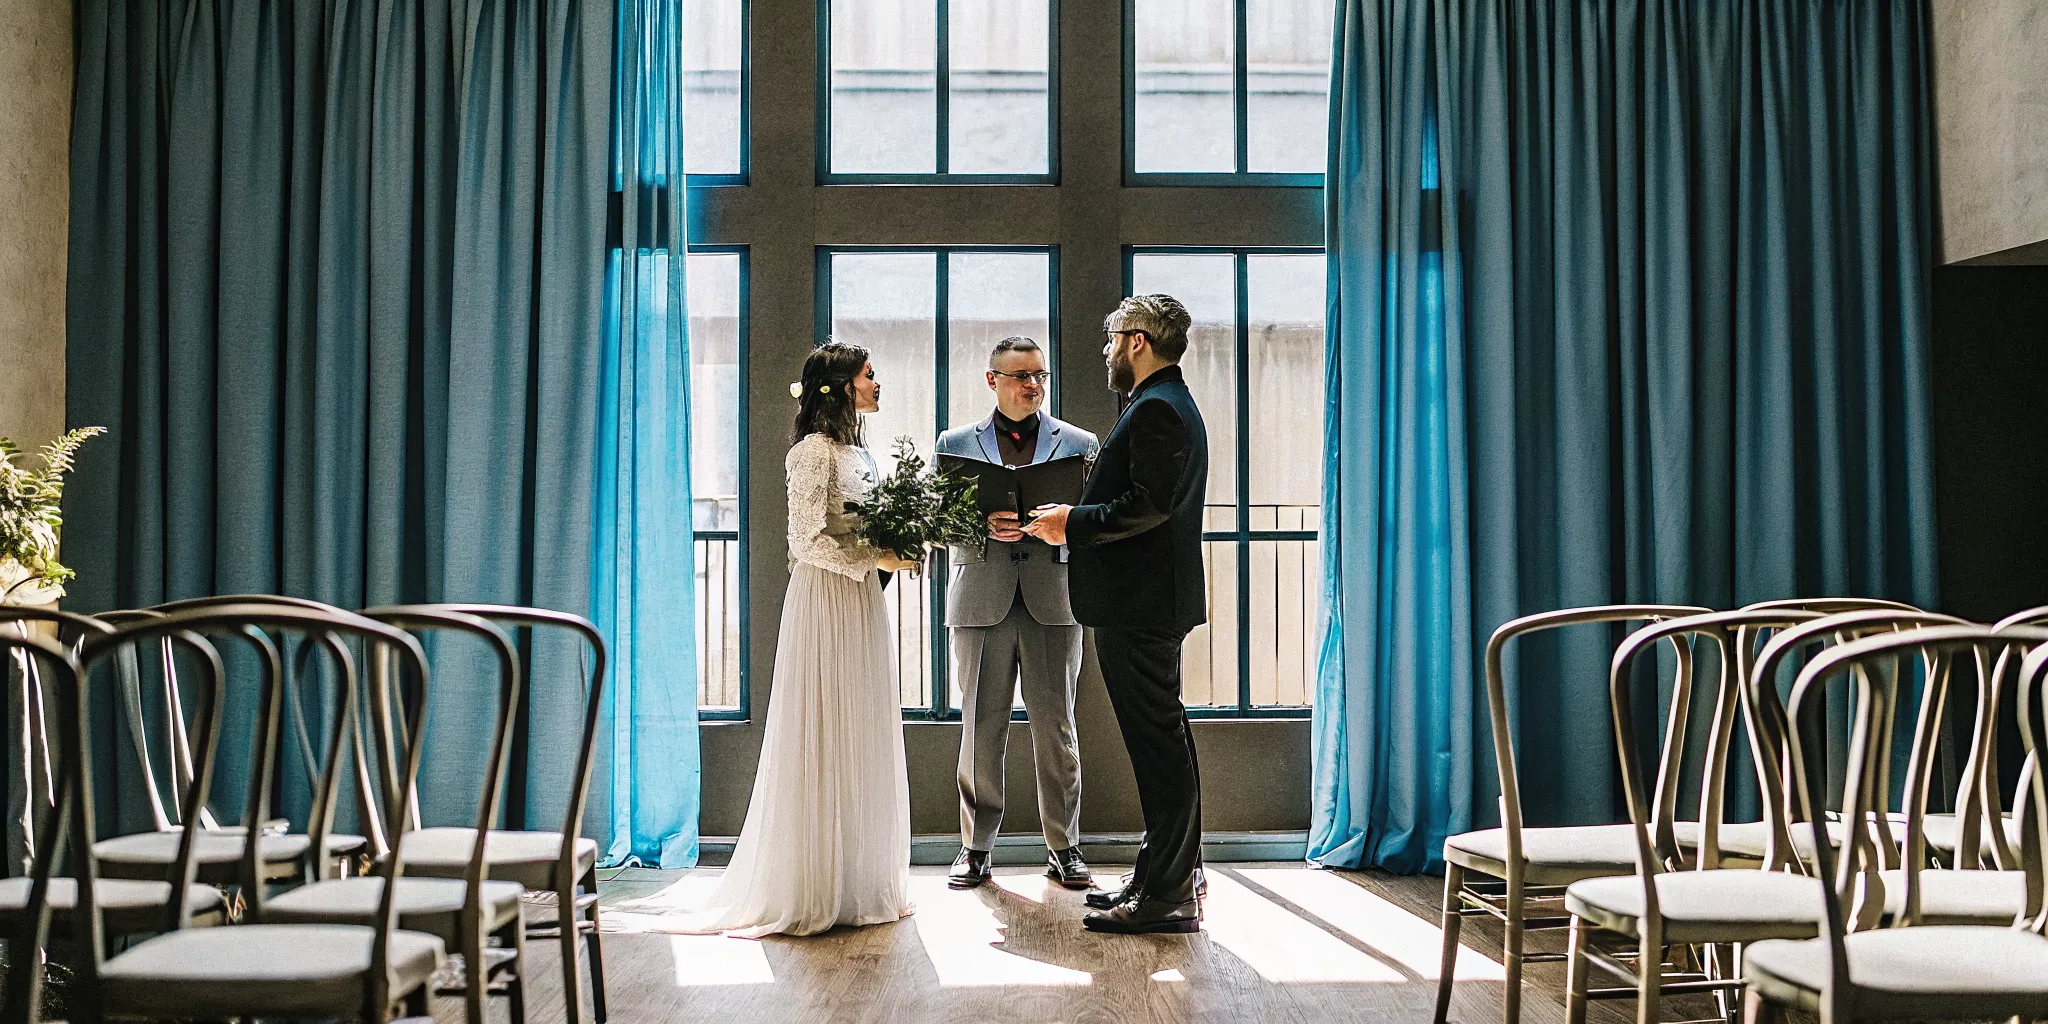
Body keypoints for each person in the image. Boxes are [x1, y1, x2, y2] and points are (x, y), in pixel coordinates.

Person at [686, 341, 920, 937]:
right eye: (869, 375)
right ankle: (813, 884)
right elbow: (806, 541)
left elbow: (859, 525)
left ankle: (857, 881)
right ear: (840, 387)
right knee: (824, 723)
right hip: (825, 601)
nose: (877, 383)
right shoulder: (812, 452)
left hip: (861, 602)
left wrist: (892, 546)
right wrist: (876, 557)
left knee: (861, 724)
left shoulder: (857, 452)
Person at [1024, 295, 1209, 935]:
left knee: (1158, 747)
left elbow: (1148, 504)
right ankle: (1163, 876)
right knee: (1164, 740)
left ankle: (1169, 895)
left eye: (1111, 341)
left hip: (1141, 605)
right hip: (1146, 602)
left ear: (1137, 342)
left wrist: (1069, 523)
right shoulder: (1163, 402)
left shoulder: (1157, 408)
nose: (1106, 353)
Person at [934, 337, 1100, 892]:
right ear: (993, 380)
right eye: (1020, 375)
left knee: (1057, 729)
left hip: (1054, 598)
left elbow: (1097, 519)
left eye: (1039, 376)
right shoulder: (954, 443)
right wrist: (978, 525)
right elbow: (937, 521)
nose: (1033, 385)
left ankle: (1065, 848)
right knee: (981, 727)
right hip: (981, 599)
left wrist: (1064, 522)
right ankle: (975, 848)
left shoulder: (1079, 443)